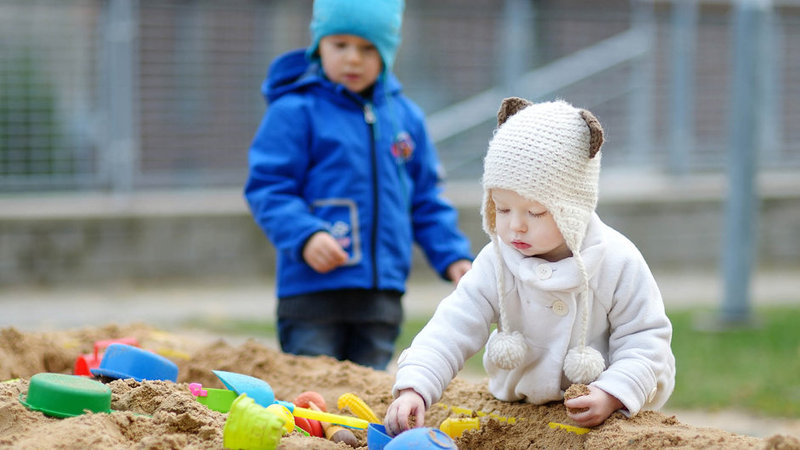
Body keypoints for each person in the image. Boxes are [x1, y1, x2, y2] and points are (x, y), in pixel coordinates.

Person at [384, 97, 675, 434]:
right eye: (502, 209)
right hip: (520, 406)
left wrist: (613, 392)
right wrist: (415, 386)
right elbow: (453, 325)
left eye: (535, 212)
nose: (515, 226)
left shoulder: (617, 261)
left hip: (603, 413)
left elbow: (645, 336)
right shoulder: (496, 260)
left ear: (573, 207)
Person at [243, 0, 473, 371]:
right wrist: (306, 235)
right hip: (311, 293)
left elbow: (427, 199)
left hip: (381, 296)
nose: (353, 59)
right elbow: (269, 187)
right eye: (340, 45)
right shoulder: (295, 111)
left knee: (366, 395)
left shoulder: (406, 118)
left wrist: (454, 256)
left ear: (387, 52)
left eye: (368, 48)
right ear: (319, 45)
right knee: (311, 394)